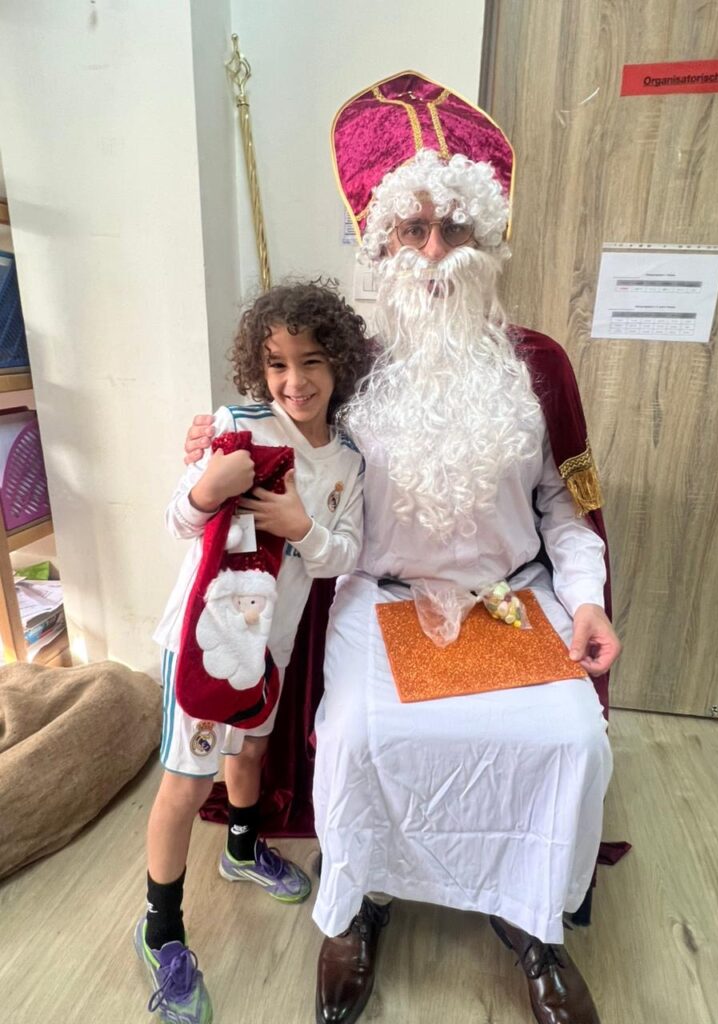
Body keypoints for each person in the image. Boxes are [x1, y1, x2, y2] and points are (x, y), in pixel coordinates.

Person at [185, 72, 621, 1024]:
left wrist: (585, 599)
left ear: (487, 240)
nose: (433, 251)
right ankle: (358, 905)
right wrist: (217, 439)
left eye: (453, 228)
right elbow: (275, 428)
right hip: (378, 600)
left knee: (572, 740)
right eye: (412, 228)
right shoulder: (346, 369)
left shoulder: (539, 364)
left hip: (515, 598)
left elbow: (567, 509)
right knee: (356, 739)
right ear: (378, 242)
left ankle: (536, 923)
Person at [137, 280, 369, 1024]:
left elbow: (344, 556)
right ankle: (161, 930)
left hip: (271, 647)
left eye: (311, 362)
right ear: (258, 368)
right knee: (186, 782)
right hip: (206, 648)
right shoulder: (236, 426)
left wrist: (301, 526)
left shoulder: (349, 462)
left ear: (338, 365)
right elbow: (177, 520)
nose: (294, 381)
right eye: (277, 365)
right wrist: (210, 486)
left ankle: (241, 849)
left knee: (252, 752)